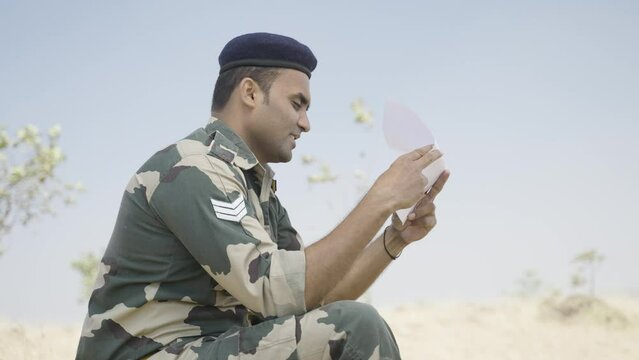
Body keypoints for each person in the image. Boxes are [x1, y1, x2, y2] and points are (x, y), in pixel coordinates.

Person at [76, 32, 449, 360]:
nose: (306, 123)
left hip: (208, 348)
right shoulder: (191, 167)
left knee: (344, 324)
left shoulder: (256, 185)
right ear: (251, 93)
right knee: (356, 327)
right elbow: (274, 288)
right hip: (153, 353)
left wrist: (394, 238)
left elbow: (314, 297)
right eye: (297, 103)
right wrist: (380, 198)